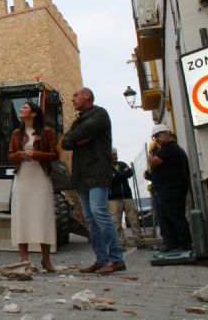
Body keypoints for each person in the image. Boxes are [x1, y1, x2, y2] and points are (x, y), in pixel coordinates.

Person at [62, 87, 125, 274]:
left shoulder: (99, 114)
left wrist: (77, 138)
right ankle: (101, 259)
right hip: (81, 175)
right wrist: (77, 139)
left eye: (75, 95)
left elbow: (78, 134)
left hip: (96, 171)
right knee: (90, 219)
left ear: (87, 96)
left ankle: (116, 259)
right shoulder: (79, 120)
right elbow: (66, 141)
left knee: (99, 213)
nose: (72, 99)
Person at [8, 102, 59, 272]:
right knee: (22, 216)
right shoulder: (16, 133)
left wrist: (35, 154)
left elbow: (54, 154)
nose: (21, 110)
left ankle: (46, 259)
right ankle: (24, 260)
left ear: (34, 114)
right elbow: (10, 155)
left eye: (25, 108)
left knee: (43, 215)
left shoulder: (46, 132)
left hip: (40, 177)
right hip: (22, 178)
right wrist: (21, 154)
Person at [148, 125, 193, 251]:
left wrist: (151, 153)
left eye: (158, 136)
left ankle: (184, 243)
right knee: (170, 217)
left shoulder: (168, 148)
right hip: (171, 188)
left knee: (175, 216)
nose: (157, 140)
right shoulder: (172, 149)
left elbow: (153, 163)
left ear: (166, 134)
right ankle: (175, 242)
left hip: (171, 189)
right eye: (155, 137)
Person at [108, 148, 145, 248]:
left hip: (127, 197)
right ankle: (121, 244)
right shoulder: (105, 168)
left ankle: (139, 242)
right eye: (113, 155)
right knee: (116, 223)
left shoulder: (122, 164)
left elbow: (130, 173)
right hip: (113, 200)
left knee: (134, 220)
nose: (116, 156)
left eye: (116, 154)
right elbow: (110, 180)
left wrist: (117, 175)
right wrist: (121, 175)